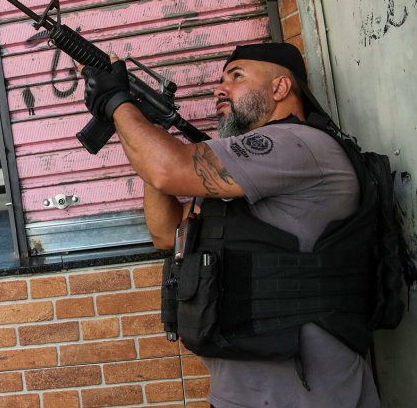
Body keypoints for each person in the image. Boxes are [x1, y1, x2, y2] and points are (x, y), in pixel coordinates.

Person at [79, 42, 380, 407]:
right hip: (240, 393)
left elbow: (167, 170)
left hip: (309, 395)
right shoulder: (243, 167)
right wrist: (151, 128)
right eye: (222, 79)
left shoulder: (297, 145)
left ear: (280, 88)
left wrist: (117, 103)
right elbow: (166, 232)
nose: (219, 89)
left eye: (236, 77)